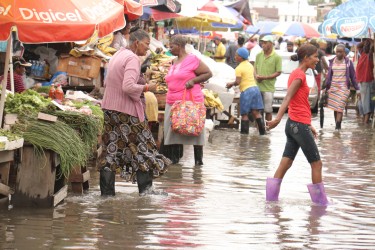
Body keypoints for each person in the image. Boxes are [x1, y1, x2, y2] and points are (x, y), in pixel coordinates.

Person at [99, 27, 171, 196]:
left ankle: (106, 195)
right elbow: (128, 87)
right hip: (126, 111)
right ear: (136, 43)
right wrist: (148, 87)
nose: (148, 48)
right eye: (146, 44)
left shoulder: (118, 54)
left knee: (111, 149)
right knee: (143, 148)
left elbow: (111, 82)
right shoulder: (132, 58)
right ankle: (146, 193)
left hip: (110, 109)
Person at [266, 44, 328, 205]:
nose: (317, 59)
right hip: (297, 125)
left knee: (286, 163)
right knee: (317, 163)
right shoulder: (300, 75)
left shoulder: (296, 73)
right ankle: (320, 204)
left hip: (295, 124)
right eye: (315, 56)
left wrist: (308, 124)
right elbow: (287, 98)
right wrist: (277, 119)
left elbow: (299, 103)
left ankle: (270, 201)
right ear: (306, 58)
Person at [164, 35, 212, 166]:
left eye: (172, 46)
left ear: (179, 46)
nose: (170, 48)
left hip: (190, 102)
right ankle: (174, 162)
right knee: (172, 130)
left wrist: (193, 81)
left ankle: (198, 162)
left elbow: (208, 73)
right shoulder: (173, 61)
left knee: (195, 129)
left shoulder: (192, 59)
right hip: (172, 101)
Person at [226, 47, 265, 135]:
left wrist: (230, 84)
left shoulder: (239, 68)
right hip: (255, 89)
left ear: (241, 57)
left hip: (247, 91)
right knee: (256, 112)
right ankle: (263, 133)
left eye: (236, 55)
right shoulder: (250, 65)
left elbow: (238, 82)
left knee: (244, 114)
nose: (235, 56)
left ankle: (244, 136)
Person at [325, 44, 360, 130]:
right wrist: (326, 88)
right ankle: (337, 126)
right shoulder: (332, 61)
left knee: (340, 108)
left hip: (344, 88)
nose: (339, 53)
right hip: (333, 88)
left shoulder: (348, 63)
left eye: (341, 52)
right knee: (335, 108)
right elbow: (329, 76)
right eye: (337, 52)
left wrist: (357, 89)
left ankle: (337, 128)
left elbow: (353, 77)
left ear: (344, 53)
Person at [254, 35, 282, 122]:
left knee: (268, 111)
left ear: (271, 44)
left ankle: (268, 129)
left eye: (265, 43)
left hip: (268, 88)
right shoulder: (259, 55)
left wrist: (265, 77)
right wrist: (256, 75)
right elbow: (255, 67)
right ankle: (259, 129)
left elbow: (278, 72)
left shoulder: (277, 57)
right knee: (257, 110)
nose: (263, 44)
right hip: (257, 86)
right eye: (262, 43)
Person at [356, 39, 374, 124]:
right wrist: (369, 41)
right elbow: (359, 45)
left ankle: (365, 121)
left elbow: (359, 46)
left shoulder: (366, 55)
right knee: (364, 102)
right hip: (364, 81)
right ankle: (365, 121)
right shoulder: (364, 54)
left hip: (366, 81)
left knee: (365, 101)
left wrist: (368, 42)